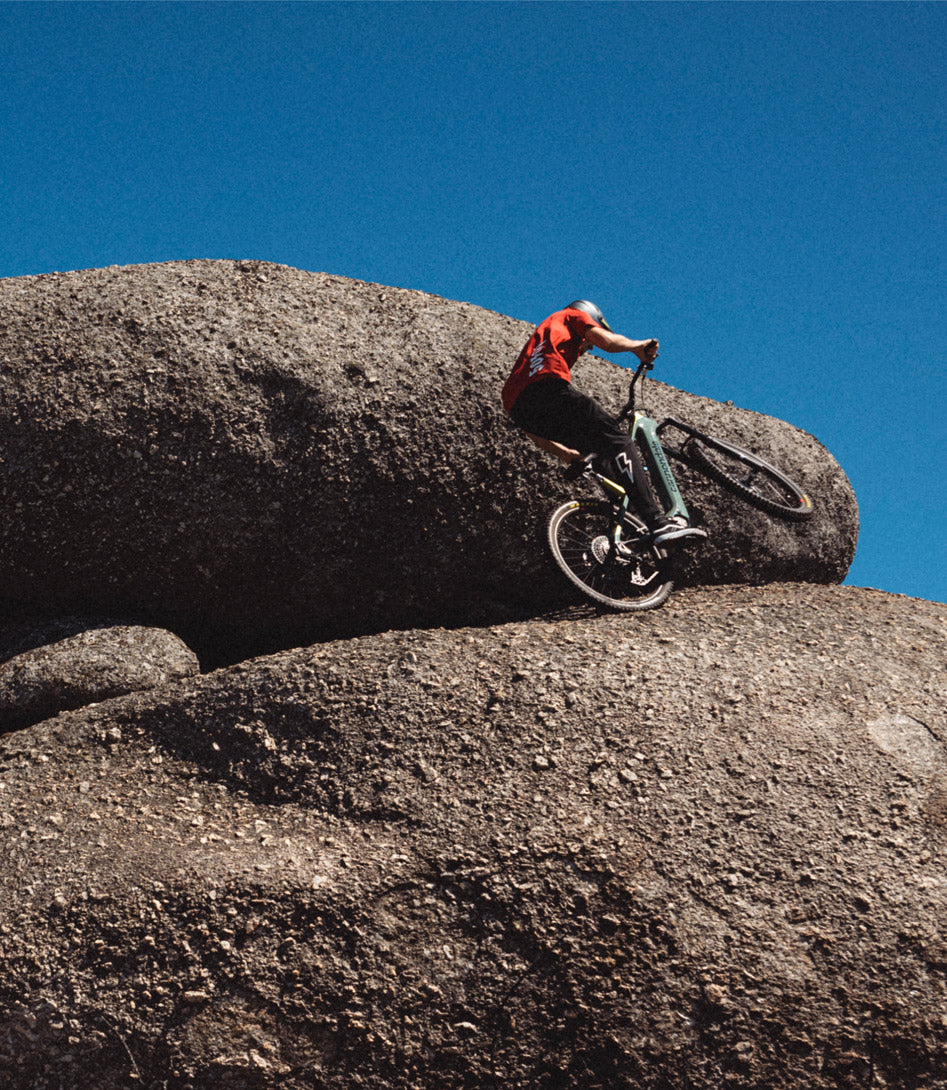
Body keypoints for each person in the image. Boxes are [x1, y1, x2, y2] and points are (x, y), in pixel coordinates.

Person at [502, 300, 704, 545]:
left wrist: (567, 455)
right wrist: (637, 346)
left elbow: (529, 430)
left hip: (520, 409)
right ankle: (658, 523)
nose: (588, 348)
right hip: (549, 390)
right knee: (619, 442)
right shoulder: (571, 316)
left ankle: (624, 534)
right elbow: (606, 342)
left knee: (599, 454)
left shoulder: (537, 347)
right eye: (587, 342)